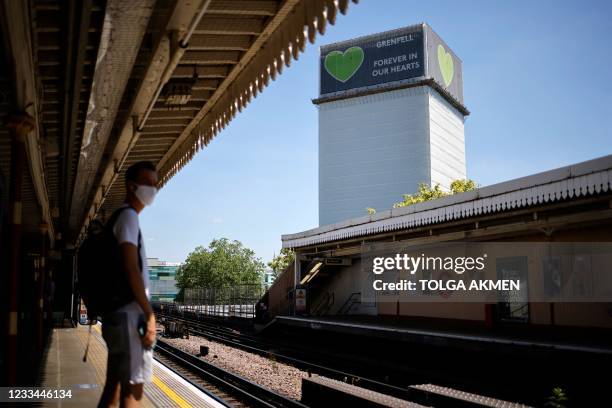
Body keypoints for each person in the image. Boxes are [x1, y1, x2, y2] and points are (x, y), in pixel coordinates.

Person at [98, 161, 158, 408]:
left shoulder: (120, 217)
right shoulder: (128, 217)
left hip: (117, 316)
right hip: (129, 317)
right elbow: (131, 268)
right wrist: (149, 314)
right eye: (148, 183)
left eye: (156, 184)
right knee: (133, 390)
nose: (153, 189)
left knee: (112, 388)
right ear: (132, 186)